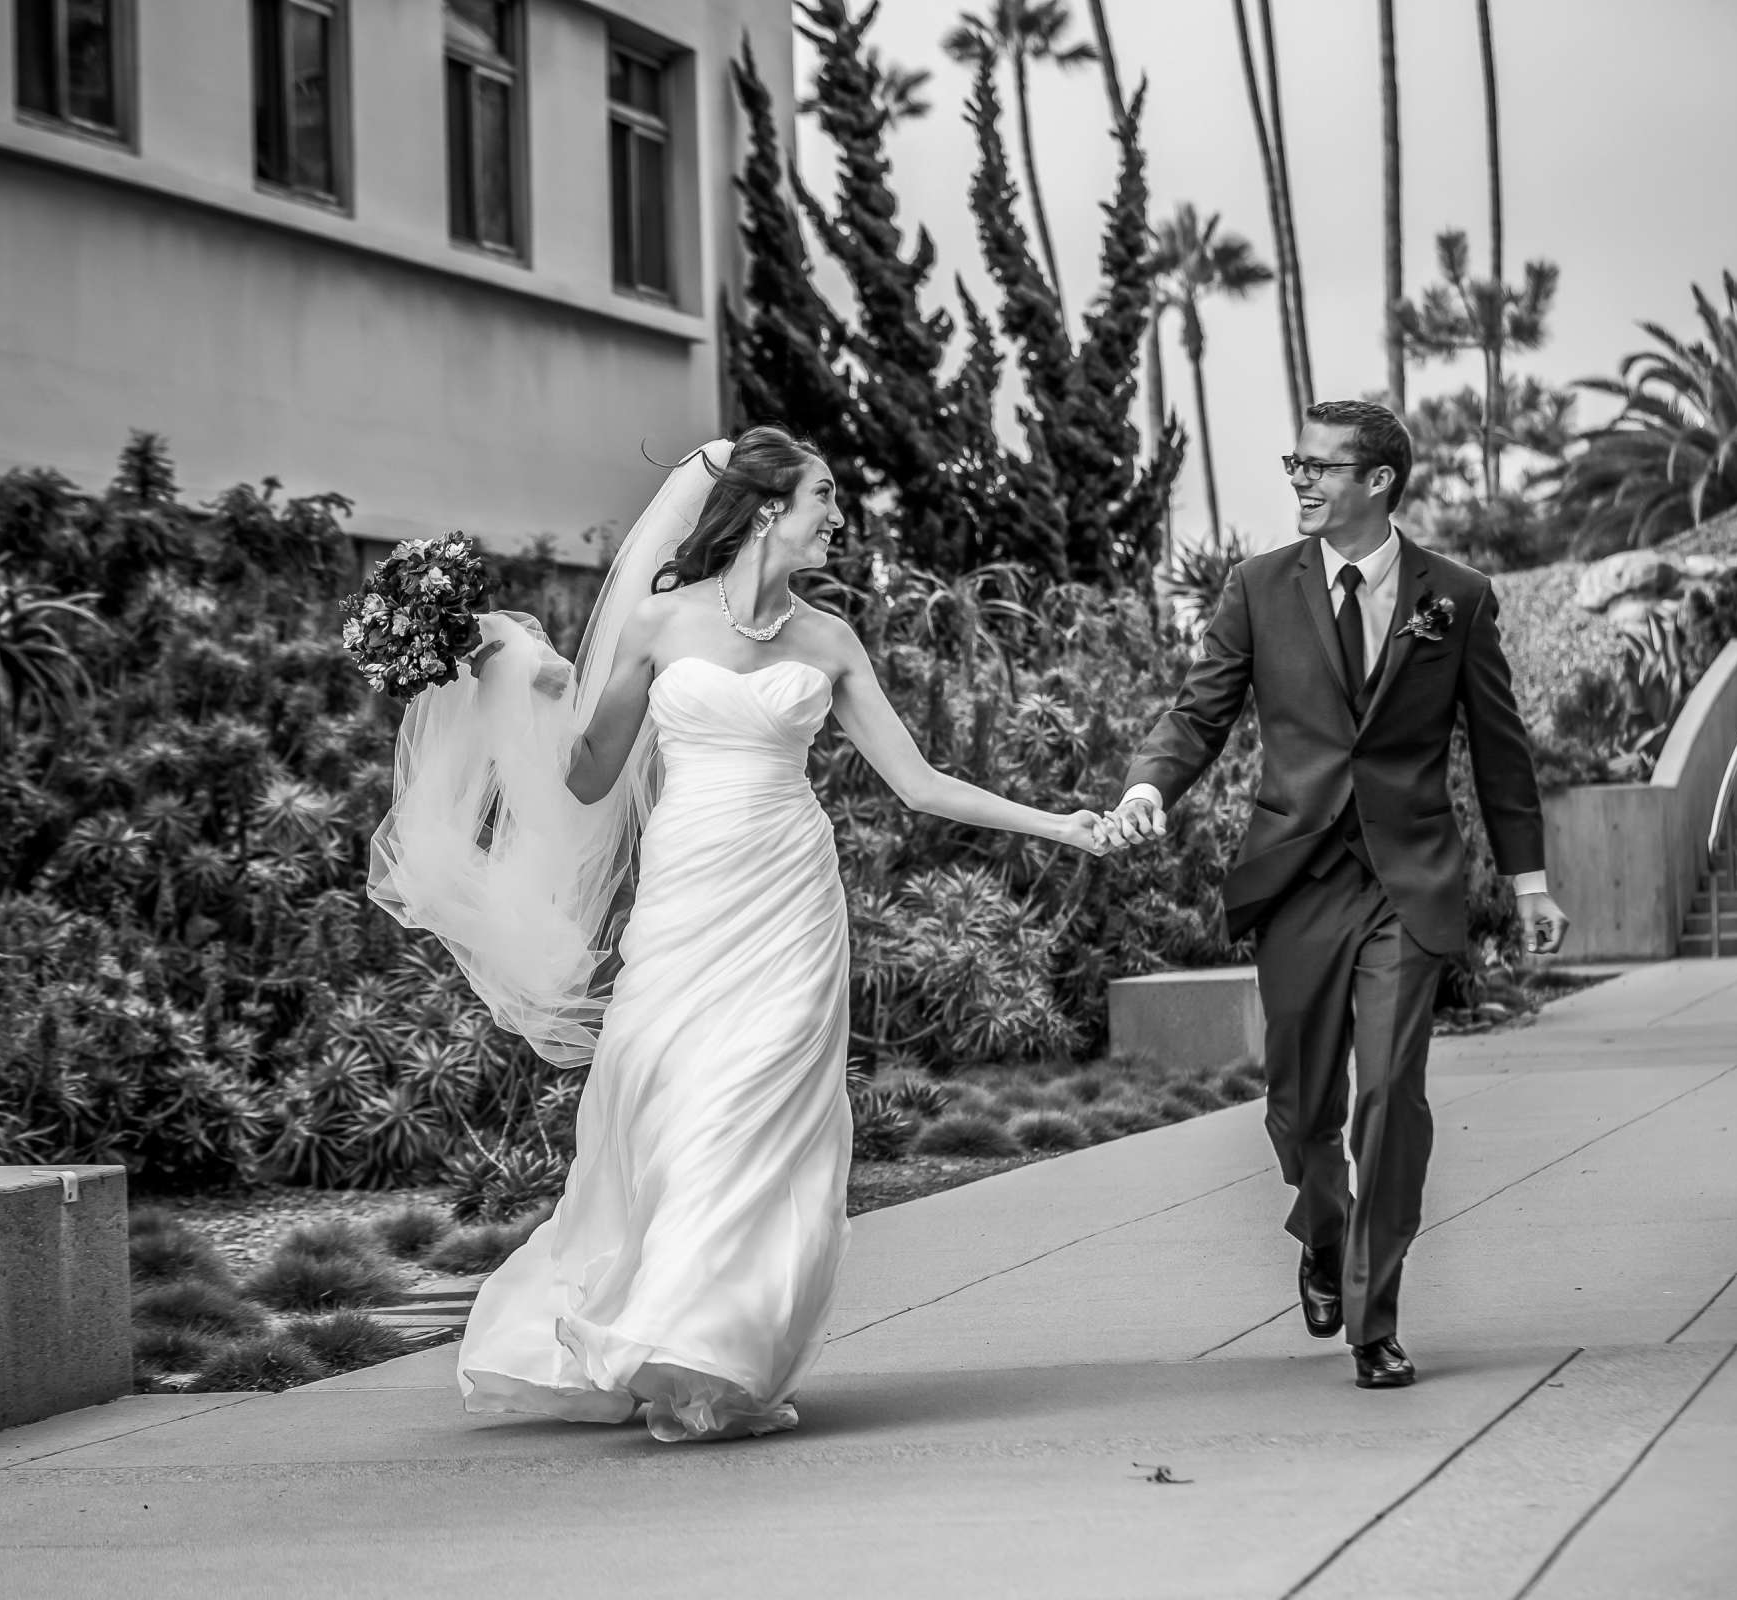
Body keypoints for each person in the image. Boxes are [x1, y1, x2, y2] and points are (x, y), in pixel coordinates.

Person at [368, 427, 1109, 1441]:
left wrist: (1060, 824)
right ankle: (655, 1324)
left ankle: (709, 1352)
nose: (838, 518)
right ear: (766, 508)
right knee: (664, 1098)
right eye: (825, 497)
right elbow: (588, 777)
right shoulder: (659, 623)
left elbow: (920, 782)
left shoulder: (829, 641)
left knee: (760, 1112)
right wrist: (518, 682)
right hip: (687, 894)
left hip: (791, 901)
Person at [1098, 399, 1568, 1390]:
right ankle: (1321, 1230)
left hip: (1409, 883)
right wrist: (1148, 786)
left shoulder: (1458, 596)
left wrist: (1527, 881)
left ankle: (1374, 1315)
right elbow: (1199, 713)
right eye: (1295, 463)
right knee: (1299, 1106)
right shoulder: (1259, 588)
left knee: (1393, 1095)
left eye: (1321, 466)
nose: (1302, 480)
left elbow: (1500, 748)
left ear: (1380, 480)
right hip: (1297, 876)